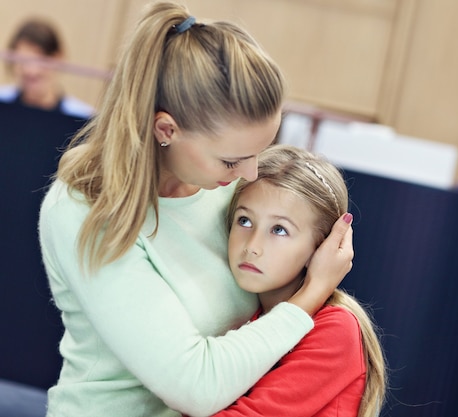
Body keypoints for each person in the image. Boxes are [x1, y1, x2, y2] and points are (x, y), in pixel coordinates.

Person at [37, 2, 353, 417]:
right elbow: (196, 386)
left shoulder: (231, 185)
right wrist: (313, 292)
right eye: (231, 159)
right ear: (166, 129)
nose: (251, 172)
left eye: (258, 152)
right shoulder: (81, 209)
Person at [203, 144, 385, 417]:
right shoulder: (244, 313)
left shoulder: (336, 328)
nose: (252, 246)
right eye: (245, 220)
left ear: (322, 247)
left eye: (279, 229)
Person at [0, 17, 94, 118]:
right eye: (22, 61)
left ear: (58, 57)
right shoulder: (3, 103)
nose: (30, 71)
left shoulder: (81, 117)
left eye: (39, 61)